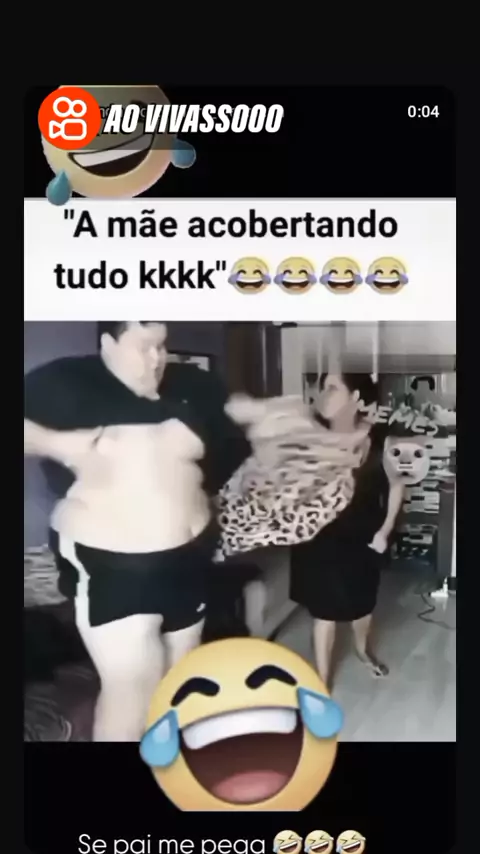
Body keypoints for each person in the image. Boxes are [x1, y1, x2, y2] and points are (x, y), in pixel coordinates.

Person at [24, 321, 250, 742]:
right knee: (132, 690)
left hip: (189, 556)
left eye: (162, 346)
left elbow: (226, 445)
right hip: (115, 564)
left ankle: (170, 763)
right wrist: (56, 444)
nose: (156, 358)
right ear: (108, 344)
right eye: (143, 347)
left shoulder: (193, 385)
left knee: (182, 675)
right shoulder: (66, 381)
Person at [290, 373, 405, 687]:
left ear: (355, 397)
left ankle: (362, 650)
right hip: (319, 538)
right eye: (322, 387)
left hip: (363, 537)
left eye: (332, 388)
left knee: (362, 606)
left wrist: (384, 531)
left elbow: (397, 487)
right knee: (323, 613)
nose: (322, 394)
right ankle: (322, 680)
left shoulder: (382, 440)